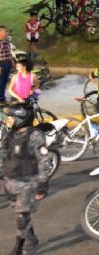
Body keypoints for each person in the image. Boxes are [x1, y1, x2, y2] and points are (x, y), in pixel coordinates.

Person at [0, 101, 50, 255]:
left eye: (11, 118)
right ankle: (32, 238)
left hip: (28, 182)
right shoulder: (10, 134)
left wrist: (42, 185)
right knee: (22, 213)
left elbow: (44, 161)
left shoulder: (35, 135)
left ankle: (19, 248)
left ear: (21, 118)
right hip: (11, 180)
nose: (8, 121)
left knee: (21, 215)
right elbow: (3, 154)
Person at [0, 25, 17, 103]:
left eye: (7, 32)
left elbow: (9, 53)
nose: (7, 33)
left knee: (4, 81)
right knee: (0, 81)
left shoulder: (6, 42)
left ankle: (2, 97)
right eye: (5, 32)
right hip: (1, 65)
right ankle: (1, 98)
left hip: (8, 64)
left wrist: (12, 63)